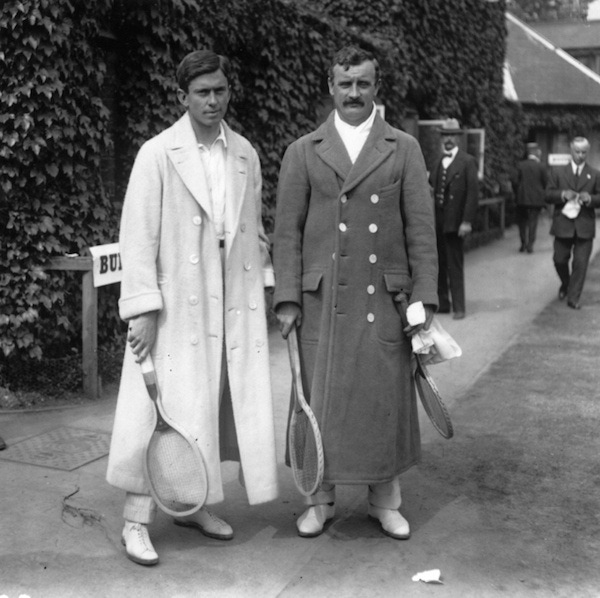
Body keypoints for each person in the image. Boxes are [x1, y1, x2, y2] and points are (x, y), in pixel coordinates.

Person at [106, 50, 278, 566]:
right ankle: (135, 521)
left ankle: (192, 504)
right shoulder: (157, 153)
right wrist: (142, 309)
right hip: (175, 306)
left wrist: (260, 283)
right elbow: (136, 238)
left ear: (229, 92)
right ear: (183, 97)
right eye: (202, 92)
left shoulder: (245, 152)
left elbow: (254, 230)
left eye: (220, 90)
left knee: (210, 404)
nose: (213, 100)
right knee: (156, 411)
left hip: (229, 305)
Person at [273, 46, 438, 541]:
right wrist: (287, 298)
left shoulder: (402, 147)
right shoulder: (303, 150)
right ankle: (317, 501)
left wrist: (424, 299)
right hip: (322, 303)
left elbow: (421, 231)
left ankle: (384, 501)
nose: (353, 93)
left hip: (383, 302)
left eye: (363, 83)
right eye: (345, 83)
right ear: (330, 85)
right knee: (318, 403)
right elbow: (286, 232)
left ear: (376, 85)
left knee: (380, 402)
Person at [429, 118, 479, 319]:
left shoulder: (467, 161)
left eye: (452, 136)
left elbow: (473, 194)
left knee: (454, 264)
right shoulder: (438, 161)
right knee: (439, 262)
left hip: (455, 221)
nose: (448, 139)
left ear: (458, 138)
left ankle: (459, 306)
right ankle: (444, 303)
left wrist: (466, 221)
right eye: (445, 136)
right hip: (438, 220)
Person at [545, 136, 600, 309]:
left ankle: (573, 298)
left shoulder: (595, 174)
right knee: (559, 259)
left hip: (584, 225)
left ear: (587, 152)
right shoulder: (558, 172)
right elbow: (547, 195)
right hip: (563, 224)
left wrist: (590, 198)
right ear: (571, 150)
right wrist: (562, 194)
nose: (580, 155)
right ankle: (566, 283)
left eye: (584, 152)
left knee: (581, 264)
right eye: (577, 151)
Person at [512, 142, 548, 253]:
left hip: (522, 198)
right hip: (536, 199)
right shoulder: (541, 166)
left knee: (522, 222)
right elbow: (546, 182)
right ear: (536, 152)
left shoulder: (520, 165)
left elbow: (515, 181)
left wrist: (518, 192)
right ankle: (530, 245)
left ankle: (523, 243)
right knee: (533, 222)